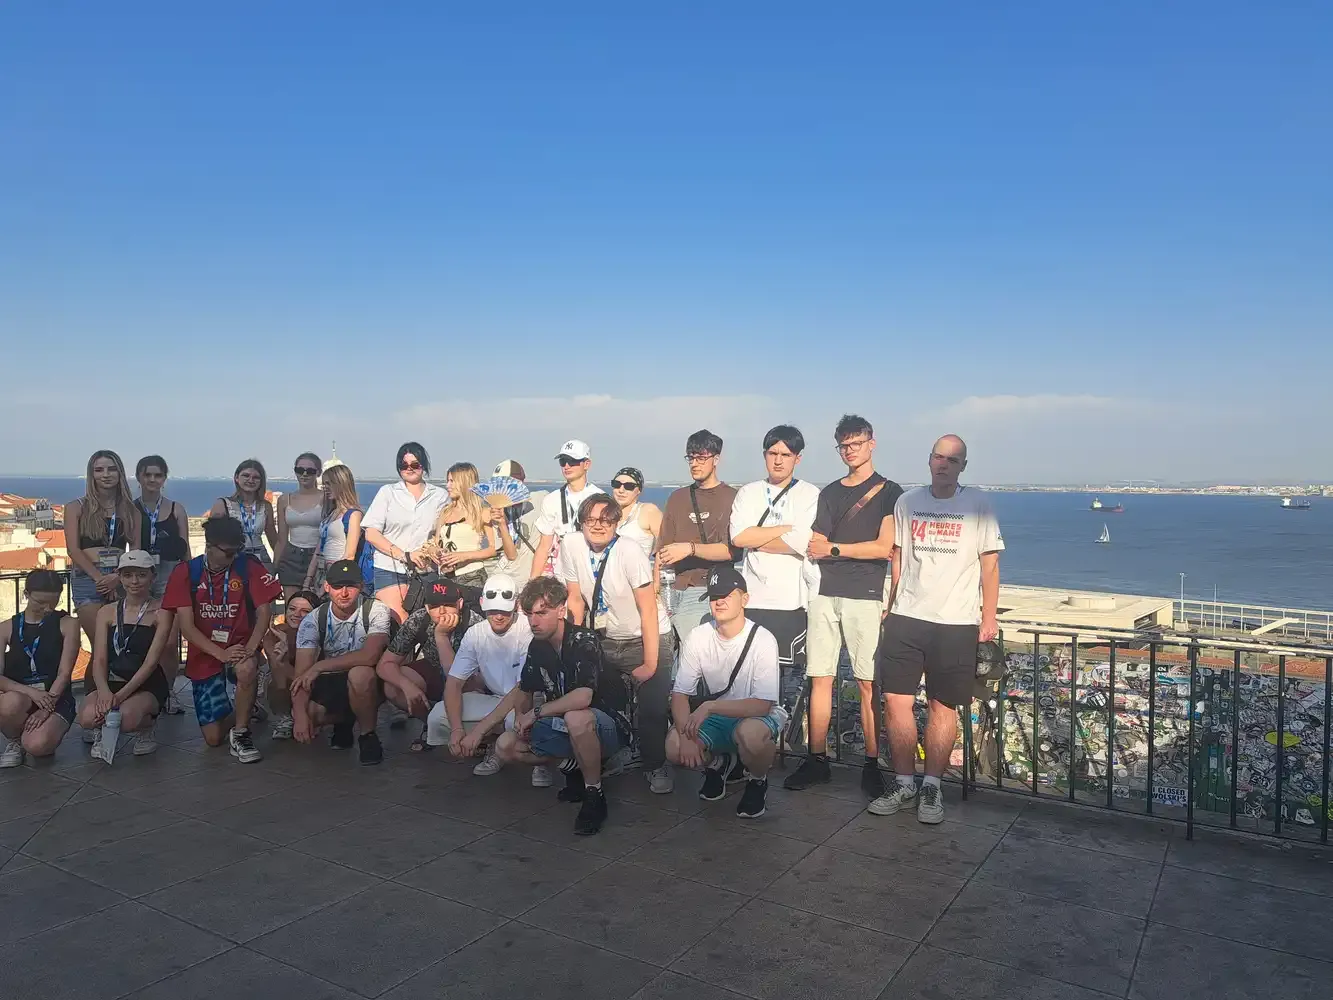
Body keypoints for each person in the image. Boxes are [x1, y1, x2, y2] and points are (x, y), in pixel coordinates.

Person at [871, 434, 1003, 825]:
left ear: (963, 466)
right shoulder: (907, 502)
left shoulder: (978, 505)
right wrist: (891, 605)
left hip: (955, 621)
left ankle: (932, 786)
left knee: (941, 706)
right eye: (938, 457)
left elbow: (990, 565)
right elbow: (898, 557)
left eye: (952, 460)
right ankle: (903, 782)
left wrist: (989, 617)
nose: (943, 464)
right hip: (907, 616)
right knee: (895, 701)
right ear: (929, 460)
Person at [785, 415, 903, 796]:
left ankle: (872, 763)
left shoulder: (889, 492)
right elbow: (814, 543)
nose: (850, 451)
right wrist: (838, 549)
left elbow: (882, 548)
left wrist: (835, 549)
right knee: (820, 677)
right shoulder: (831, 493)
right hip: (825, 591)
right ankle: (816, 759)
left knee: (868, 682)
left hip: (865, 594)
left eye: (856, 443)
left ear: (872, 443)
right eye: (844, 445)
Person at [494, 577, 631, 836]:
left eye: (541, 613)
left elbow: (583, 697)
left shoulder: (583, 640)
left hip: (608, 726)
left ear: (561, 610)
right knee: (506, 745)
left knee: (577, 717)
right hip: (565, 724)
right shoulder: (538, 645)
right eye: (529, 614)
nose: (534, 622)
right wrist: (520, 717)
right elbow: (525, 689)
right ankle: (573, 766)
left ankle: (594, 793)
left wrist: (536, 713)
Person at [557, 494, 674, 793]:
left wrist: (650, 663)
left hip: (645, 636)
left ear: (616, 523)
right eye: (591, 520)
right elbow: (575, 598)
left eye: (606, 520)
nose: (598, 526)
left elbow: (648, 609)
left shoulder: (629, 550)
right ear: (581, 522)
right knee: (596, 699)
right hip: (603, 637)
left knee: (651, 707)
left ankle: (655, 764)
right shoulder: (571, 544)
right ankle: (609, 756)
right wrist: (575, 644)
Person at [667, 567, 784, 819]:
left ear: (744, 599)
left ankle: (758, 779)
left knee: (750, 735)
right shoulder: (698, 636)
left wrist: (710, 706)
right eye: (714, 596)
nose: (719, 601)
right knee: (674, 745)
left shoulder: (763, 639)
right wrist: (686, 738)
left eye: (727, 595)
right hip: (717, 718)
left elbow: (762, 705)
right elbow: (680, 693)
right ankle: (718, 763)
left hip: (754, 716)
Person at [162, 516, 281, 762]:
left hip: (240, 646)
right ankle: (247, 707)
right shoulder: (186, 573)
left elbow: (264, 612)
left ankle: (241, 732)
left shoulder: (248, 566)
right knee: (213, 738)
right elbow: (187, 627)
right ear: (209, 546)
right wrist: (220, 654)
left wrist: (250, 648)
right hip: (205, 653)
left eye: (237, 550)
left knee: (246, 668)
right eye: (228, 553)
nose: (234, 557)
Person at [729, 426, 820, 726]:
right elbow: (739, 538)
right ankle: (749, 742)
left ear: (798, 458)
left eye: (786, 454)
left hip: (790, 602)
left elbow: (803, 540)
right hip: (753, 600)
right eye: (773, 453)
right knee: (750, 679)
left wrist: (757, 537)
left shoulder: (809, 494)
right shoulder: (748, 492)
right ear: (764, 455)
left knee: (786, 684)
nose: (778, 460)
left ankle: (779, 742)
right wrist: (784, 530)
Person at [430, 573, 547, 785]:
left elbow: (522, 688)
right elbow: (454, 683)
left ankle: (539, 758)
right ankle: (495, 748)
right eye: (493, 610)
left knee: (516, 720)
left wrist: (478, 731)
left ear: (516, 606)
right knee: (438, 715)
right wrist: (456, 729)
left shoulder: (527, 630)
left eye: (505, 611)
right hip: (497, 698)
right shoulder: (475, 634)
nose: (499, 616)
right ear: (483, 604)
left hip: (530, 699)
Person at [291, 560, 392, 766]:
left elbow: (370, 656)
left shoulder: (377, 609)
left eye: (350, 586)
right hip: (333, 681)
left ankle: (368, 735)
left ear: (361, 586)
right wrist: (299, 716)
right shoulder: (313, 620)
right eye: (337, 586)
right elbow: (301, 675)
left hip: (370, 679)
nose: (344, 593)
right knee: (305, 712)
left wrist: (319, 666)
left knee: (360, 674)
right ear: (327, 587)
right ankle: (344, 721)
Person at [77, 551, 173, 758]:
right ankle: (102, 729)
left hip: (144, 682)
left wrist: (119, 696)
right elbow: (99, 657)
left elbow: (151, 662)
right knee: (87, 717)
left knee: (126, 718)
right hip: (111, 678)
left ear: (152, 577)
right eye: (128, 575)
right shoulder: (107, 612)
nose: (134, 581)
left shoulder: (162, 613)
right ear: (119, 577)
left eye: (141, 575)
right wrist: (104, 692)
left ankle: (146, 728)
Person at [657, 430, 741, 638]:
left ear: (716, 459)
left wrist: (690, 549)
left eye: (701, 458)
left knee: (693, 651)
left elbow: (732, 551)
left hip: (706, 589)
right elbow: (662, 551)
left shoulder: (732, 498)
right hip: (671, 588)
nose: (695, 464)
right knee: (667, 653)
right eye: (691, 458)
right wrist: (655, 590)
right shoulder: (677, 498)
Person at [378, 577, 475, 752]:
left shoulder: (473, 622)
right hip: (433, 669)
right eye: (435, 606)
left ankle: (469, 730)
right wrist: (407, 686)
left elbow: (454, 676)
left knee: (471, 687)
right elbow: (385, 664)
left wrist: (441, 636)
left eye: (448, 604)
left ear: (459, 604)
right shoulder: (420, 618)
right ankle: (432, 724)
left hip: (467, 680)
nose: (442, 611)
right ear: (427, 608)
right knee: (393, 687)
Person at [0, 571, 80, 767]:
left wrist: (46, 707)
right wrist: (31, 693)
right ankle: (14, 740)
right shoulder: (6, 627)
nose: (48, 609)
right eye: (41, 602)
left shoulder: (68, 624)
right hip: (21, 696)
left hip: (55, 696)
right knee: (9, 703)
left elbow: (64, 673)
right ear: (26, 594)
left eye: (54, 602)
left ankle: (38, 733)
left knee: (37, 746)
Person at [362, 442, 449, 623]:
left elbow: (443, 533)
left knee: (426, 622)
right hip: (389, 567)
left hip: (426, 570)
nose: (409, 468)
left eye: (415, 464)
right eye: (404, 465)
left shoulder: (440, 496)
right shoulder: (388, 493)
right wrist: (405, 555)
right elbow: (371, 533)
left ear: (423, 466)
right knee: (399, 621)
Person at [64, 449, 141, 644]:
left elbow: (135, 550)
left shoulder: (131, 511)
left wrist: (116, 577)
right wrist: (100, 579)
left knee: (119, 644)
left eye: (111, 469)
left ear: (120, 473)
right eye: (99, 470)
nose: (106, 475)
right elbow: (73, 550)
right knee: (100, 645)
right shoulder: (76, 507)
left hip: (120, 577)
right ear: (92, 475)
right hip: (88, 577)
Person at [134, 454, 191, 713]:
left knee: (168, 642)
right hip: (140, 577)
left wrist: (190, 580)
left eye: (158, 475)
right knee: (142, 640)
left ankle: (167, 693)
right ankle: (143, 691)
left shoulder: (176, 509)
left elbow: (185, 548)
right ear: (139, 477)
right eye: (148, 474)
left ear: (164, 478)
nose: (152, 479)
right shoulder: (131, 509)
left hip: (170, 576)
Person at [527, 440, 605, 579]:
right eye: (563, 461)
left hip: (593, 567)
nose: (567, 466)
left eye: (573, 461)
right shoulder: (551, 499)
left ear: (587, 464)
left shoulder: (600, 498)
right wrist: (532, 583)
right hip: (561, 571)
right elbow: (544, 546)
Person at [421, 463, 499, 590]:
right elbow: (435, 542)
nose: (448, 486)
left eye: (452, 481)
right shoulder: (446, 512)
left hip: (472, 577)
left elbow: (493, 549)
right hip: (445, 578)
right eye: (447, 481)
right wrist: (433, 551)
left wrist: (463, 556)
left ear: (464, 482)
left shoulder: (482, 512)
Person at [261, 589, 319, 740]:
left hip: (314, 686)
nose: (296, 614)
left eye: (305, 611)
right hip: (285, 683)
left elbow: (307, 681)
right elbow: (279, 674)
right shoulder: (274, 634)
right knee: (277, 678)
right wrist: (282, 658)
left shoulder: (320, 632)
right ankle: (285, 716)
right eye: (292, 609)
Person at [209, 459, 279, 571]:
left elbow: (273, 538)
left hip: (261, 559)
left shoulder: (265, 506)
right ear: (237, 478)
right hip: (234, 558)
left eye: (256, 477)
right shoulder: (223, 504)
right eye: (246, 475)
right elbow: (212, 539)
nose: (251, 480)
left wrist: (279, 563)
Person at [305, 464, 365, 593]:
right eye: (324, 484)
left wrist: (329, 582)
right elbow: (318, 549)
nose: (325, 488)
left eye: (329, 484)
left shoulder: (354, 515)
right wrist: (308, 579)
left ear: (341, 484)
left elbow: (349, 555)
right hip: (321, 572)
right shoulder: (330, 514)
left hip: (338, 576)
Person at [275, 452, 324, 601]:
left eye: (310, 471)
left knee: (315, 605)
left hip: (317, 557)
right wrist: (273, 569)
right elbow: (281, 540)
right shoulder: (285, 500)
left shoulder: (326, 498)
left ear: (318, 473)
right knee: (291, 606)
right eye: (300, 470)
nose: (304, 474)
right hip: (291, 557)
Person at [489, 459, 546, 582]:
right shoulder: (497, 511)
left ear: (520, 483)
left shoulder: (541, 499)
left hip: (529, 575)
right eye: (497, 484)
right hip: (505, 573)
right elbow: (511, 555)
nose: (500, 489)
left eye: (505, 483)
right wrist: (502, 524)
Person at [609, 467, 663, 559]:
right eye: (617, 484)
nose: (621, 490)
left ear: (639, 490)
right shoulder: (606, 514)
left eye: (629, 486)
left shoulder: (648, 511)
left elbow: (664, 545)